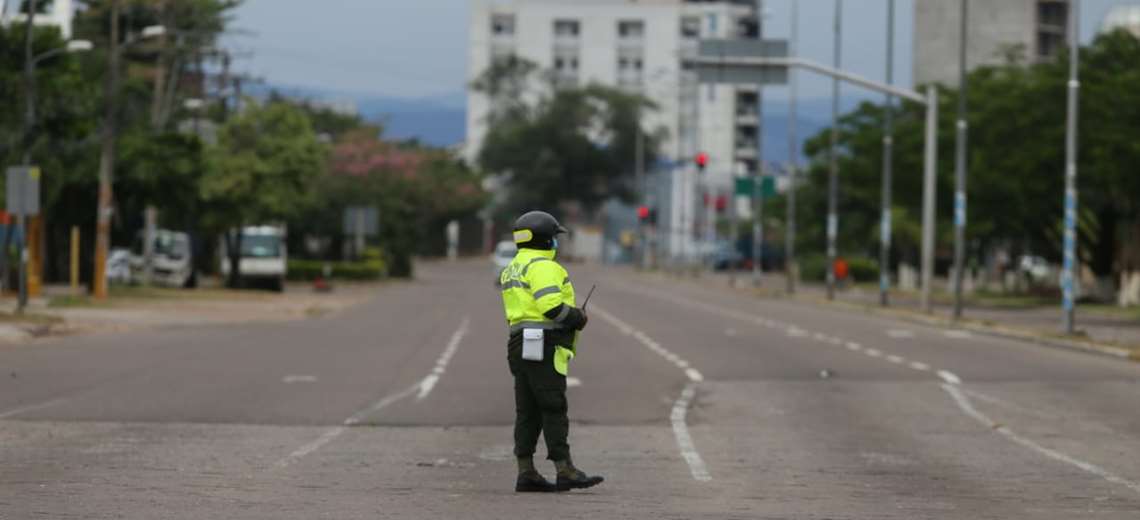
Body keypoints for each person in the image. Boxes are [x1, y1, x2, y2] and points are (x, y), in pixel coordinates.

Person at [499, 210, 605, 493]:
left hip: (519, 344)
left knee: (528, 410)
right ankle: (565, 469)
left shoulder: (513, 267)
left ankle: (526, 471)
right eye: (554, 238)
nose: (556, 244)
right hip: (543, 344)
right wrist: (577, 318)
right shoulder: (543, 266)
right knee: (552, 406)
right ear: (546, 240)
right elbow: (550, 307)